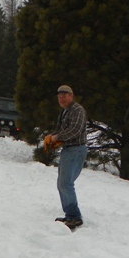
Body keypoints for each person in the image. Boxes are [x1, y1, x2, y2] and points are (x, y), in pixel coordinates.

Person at [43, 85, 87, 228]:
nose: (61, 99)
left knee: (66, 183)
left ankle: (74, 217)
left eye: (64, 96)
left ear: (71, 96)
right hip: (68, 150)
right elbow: (62, 130)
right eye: (59, 97)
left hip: (76, 150)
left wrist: (56, 138)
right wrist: (52, 139)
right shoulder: (65, 112)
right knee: (62, 183)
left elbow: (75, 130)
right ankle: (70, 215)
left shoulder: (78, 110)